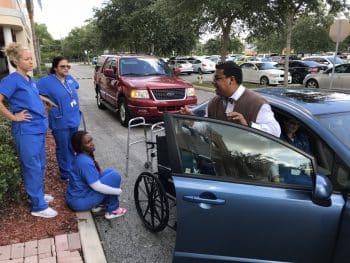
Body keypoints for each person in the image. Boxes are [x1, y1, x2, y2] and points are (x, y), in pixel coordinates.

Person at [0, 43, 58, 218]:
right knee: (32, 167)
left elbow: (31, 95)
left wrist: (44, 100)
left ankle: (37, 195)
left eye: (31, 58)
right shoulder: (10, 80)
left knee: (39, 166)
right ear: (16, 61)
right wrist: (14, 117)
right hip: (26, 131)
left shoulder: (29, 80)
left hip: (38, 128)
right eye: (27, 59)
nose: (31, 61)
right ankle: (38, 207)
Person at [181, 61, 281, 137]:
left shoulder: (257, 103)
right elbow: (208, 129)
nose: (213, 82)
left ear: (231, 80)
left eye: (217, 78)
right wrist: (192, 121)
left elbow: (275, 132)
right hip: (221, 161)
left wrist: (247, 125)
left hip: (253, 163)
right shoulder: (214, 103)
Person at [66, 130, 126, 219]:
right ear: (81, 147)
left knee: (110, 172)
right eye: (88, 142)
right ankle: (113, 210)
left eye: (91, 140)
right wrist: (117, 191)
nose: (92, 143)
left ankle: (101, 203)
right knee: (115, 177)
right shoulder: (84, 162)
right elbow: (96, 186)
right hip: (80, 201)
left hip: (77, 196)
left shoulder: (81, 156)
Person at [37, 56, 81, 181]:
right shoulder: (46, 81)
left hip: (73, 117)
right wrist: (47, 100)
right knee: (63, 147)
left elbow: (75, 88)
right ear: (55, 68)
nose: (66, 68)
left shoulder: (70, 78)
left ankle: (73, 168)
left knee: (73, 145)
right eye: (62, 66)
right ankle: (65, 173)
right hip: (60, 119)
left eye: (68, 66)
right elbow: (33, 92)